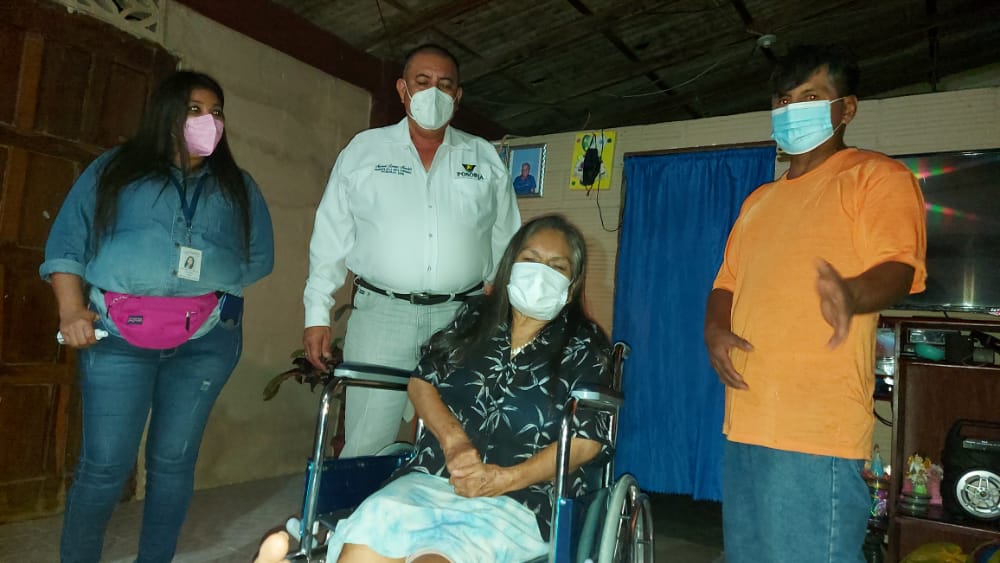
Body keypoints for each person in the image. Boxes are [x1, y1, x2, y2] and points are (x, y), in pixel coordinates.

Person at [259, 215, 612, 563]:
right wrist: (454, 442)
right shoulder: (475, 319)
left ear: (571, 285)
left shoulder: (586, 346)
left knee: (437, 557)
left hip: (521, 498)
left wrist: (504, 479)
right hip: (432, 477)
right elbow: (422, 380)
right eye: (530, 260)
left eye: (556, 267)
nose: (540, 273)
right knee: (366, 544)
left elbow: (587, 441)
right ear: (510, 266)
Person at [703, 45, 927, 563]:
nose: (792, 110)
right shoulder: (758, 201)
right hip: (745, 419)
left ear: (846, 108)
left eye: (810, 97)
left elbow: (899, 267)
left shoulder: (877, 177)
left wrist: (851, 293)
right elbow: (726, 283)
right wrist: (714, 329)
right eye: (784, 100)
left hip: (816, 429)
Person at [41, 71, 274, 563]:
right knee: (105, 466)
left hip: (206, 341)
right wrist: (70, 310)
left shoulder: (236, 185)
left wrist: (200, 281)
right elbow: (66, 242)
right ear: (166, 114)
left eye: (216, 111)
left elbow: (259, 257)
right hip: (115, 336)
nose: (208, 120)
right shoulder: (114, 169)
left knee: (172, 464)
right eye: (194, 109)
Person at [303, 44, 521, 458]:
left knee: (458, 438)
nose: (433, 93)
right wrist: (317, 313)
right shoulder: (364, 152)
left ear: (457, 96)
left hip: (462, 318)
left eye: (445, 85)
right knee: (367, 441)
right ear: (402, 90)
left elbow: (507, 238)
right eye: (423, 82)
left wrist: (502, 309)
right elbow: (330, 236)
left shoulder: (484, 158)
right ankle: (362, 503)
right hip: (381, 315)